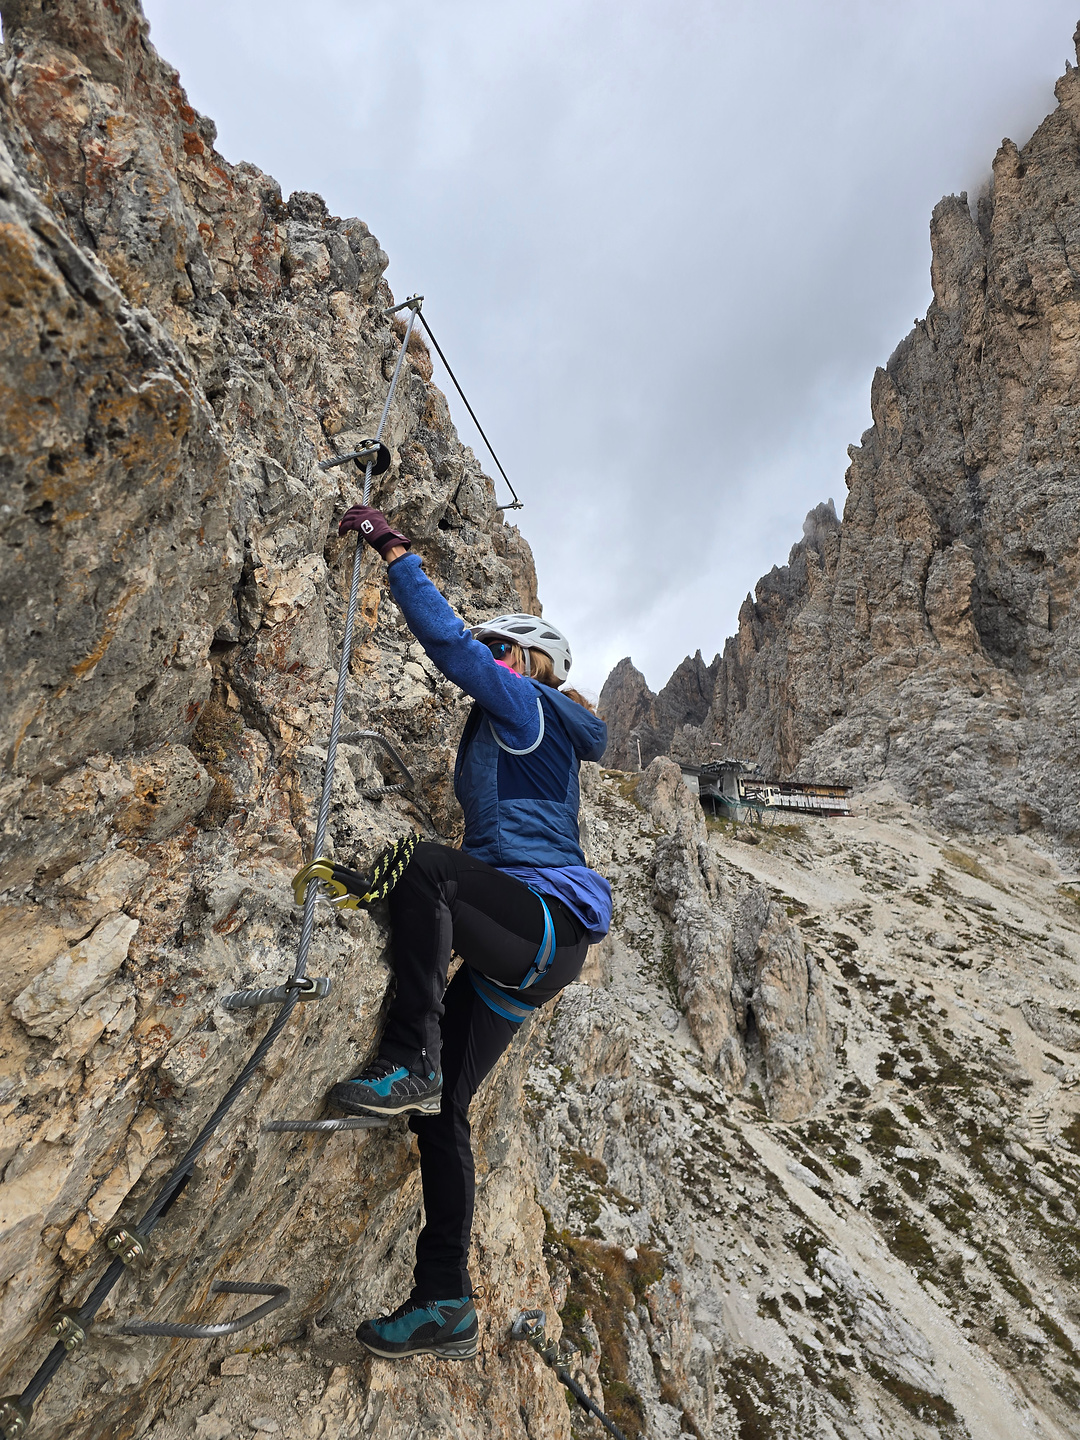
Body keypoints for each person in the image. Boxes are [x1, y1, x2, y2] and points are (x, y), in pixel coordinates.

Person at [327, 501, 611, 1363]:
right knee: (444, 1112)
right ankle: (445, 1301)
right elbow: (454, 897)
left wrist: (395, 552)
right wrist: (374, 890)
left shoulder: (526, 707)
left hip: (544, 919)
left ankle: (409, 1055)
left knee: (426, 861)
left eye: (503, 651)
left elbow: (450, 647)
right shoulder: (523, 727)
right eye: (496, 653)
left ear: (530, 661)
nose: (490, 661)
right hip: (527, 950)